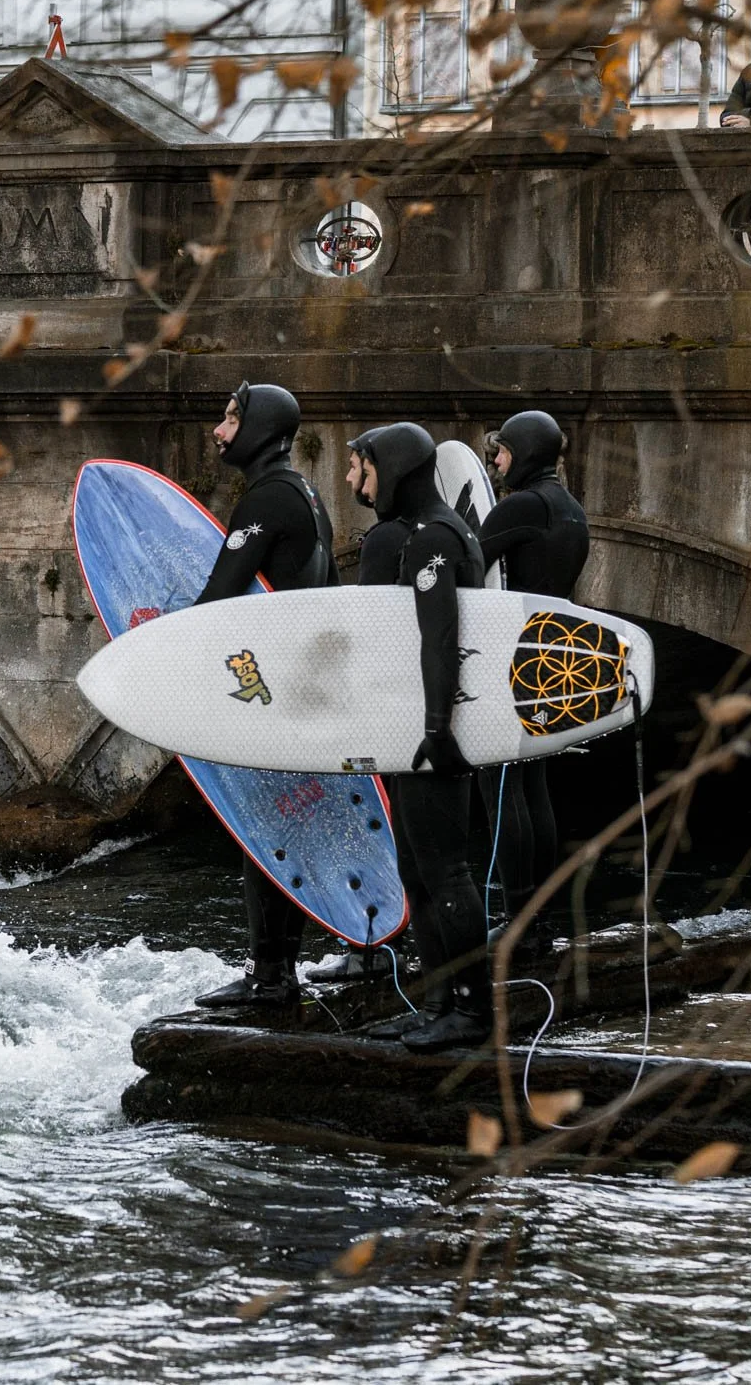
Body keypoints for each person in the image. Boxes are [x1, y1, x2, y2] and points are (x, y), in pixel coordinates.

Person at [193, 381, 341, 1009]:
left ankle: (270, 977)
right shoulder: (307, 493)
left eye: (231, 419)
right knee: (289, 829)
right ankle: (279, 971)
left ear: (260, 428)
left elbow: (219, 596)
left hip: (274, 693)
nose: (221, 431)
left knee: (263, 832)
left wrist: (166, 653)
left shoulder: (268, 499)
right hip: (305, 687)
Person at [348, 422, 493, 1053]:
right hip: (416, 725)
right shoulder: (435, 532)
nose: (362, 484)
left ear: (399, 469)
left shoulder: (437, 537)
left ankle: (471, 1007)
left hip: (435, 730)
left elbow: (441, 637)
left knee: (446, 869)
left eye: (368, 468)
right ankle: (437, 1001)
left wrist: (436, 728)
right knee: (416, 868)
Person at [477, 411, 589, 952]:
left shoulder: (523, 504)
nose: (496, 463)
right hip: (554, 658)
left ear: (521, 453)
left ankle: (517, 917)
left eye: (501, 453)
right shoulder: (570, 509)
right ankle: (539, 918)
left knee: (504, 787)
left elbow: (467, 559)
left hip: (512, 657)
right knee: (536, 783)